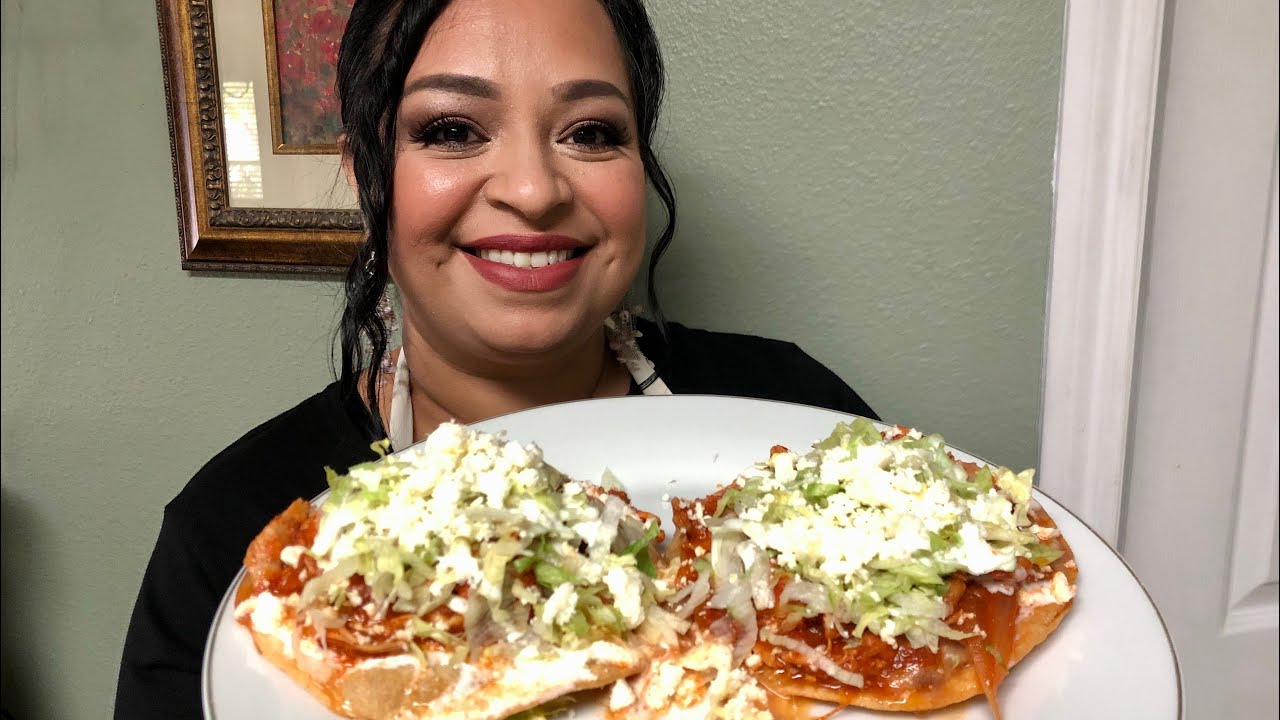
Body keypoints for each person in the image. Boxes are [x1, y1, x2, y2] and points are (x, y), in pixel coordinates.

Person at [113, 0, 876, 717]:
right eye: (451, 129)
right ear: (365, 177)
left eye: (591, 133)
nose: (534, 191)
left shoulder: (801, 415)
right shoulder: (228, 535)